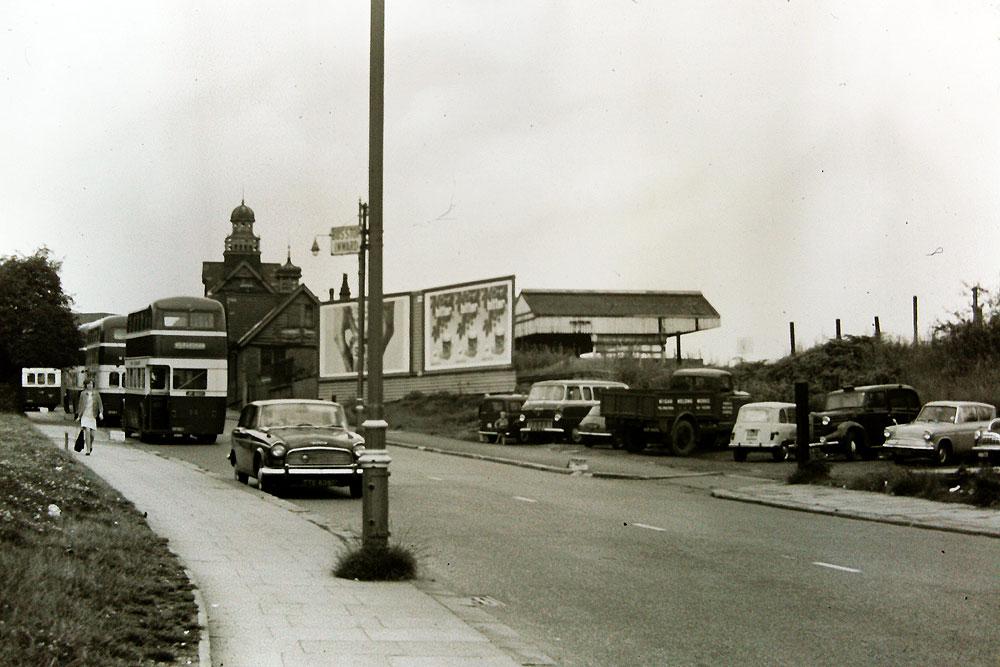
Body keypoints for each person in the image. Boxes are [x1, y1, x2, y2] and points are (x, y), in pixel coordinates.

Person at [75, 379, 103, 455]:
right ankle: (87, 450)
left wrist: (101, 413)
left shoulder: (96, 394)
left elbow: (100, 404)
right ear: (86, 385)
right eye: (88, 384)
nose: (90, 385)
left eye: (91, 384)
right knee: (87, 431)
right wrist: (79, 416)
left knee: (92, 435)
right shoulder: (83, 394)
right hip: (85, 415)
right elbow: (80, 405)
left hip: (92, 415)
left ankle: (90, 445)